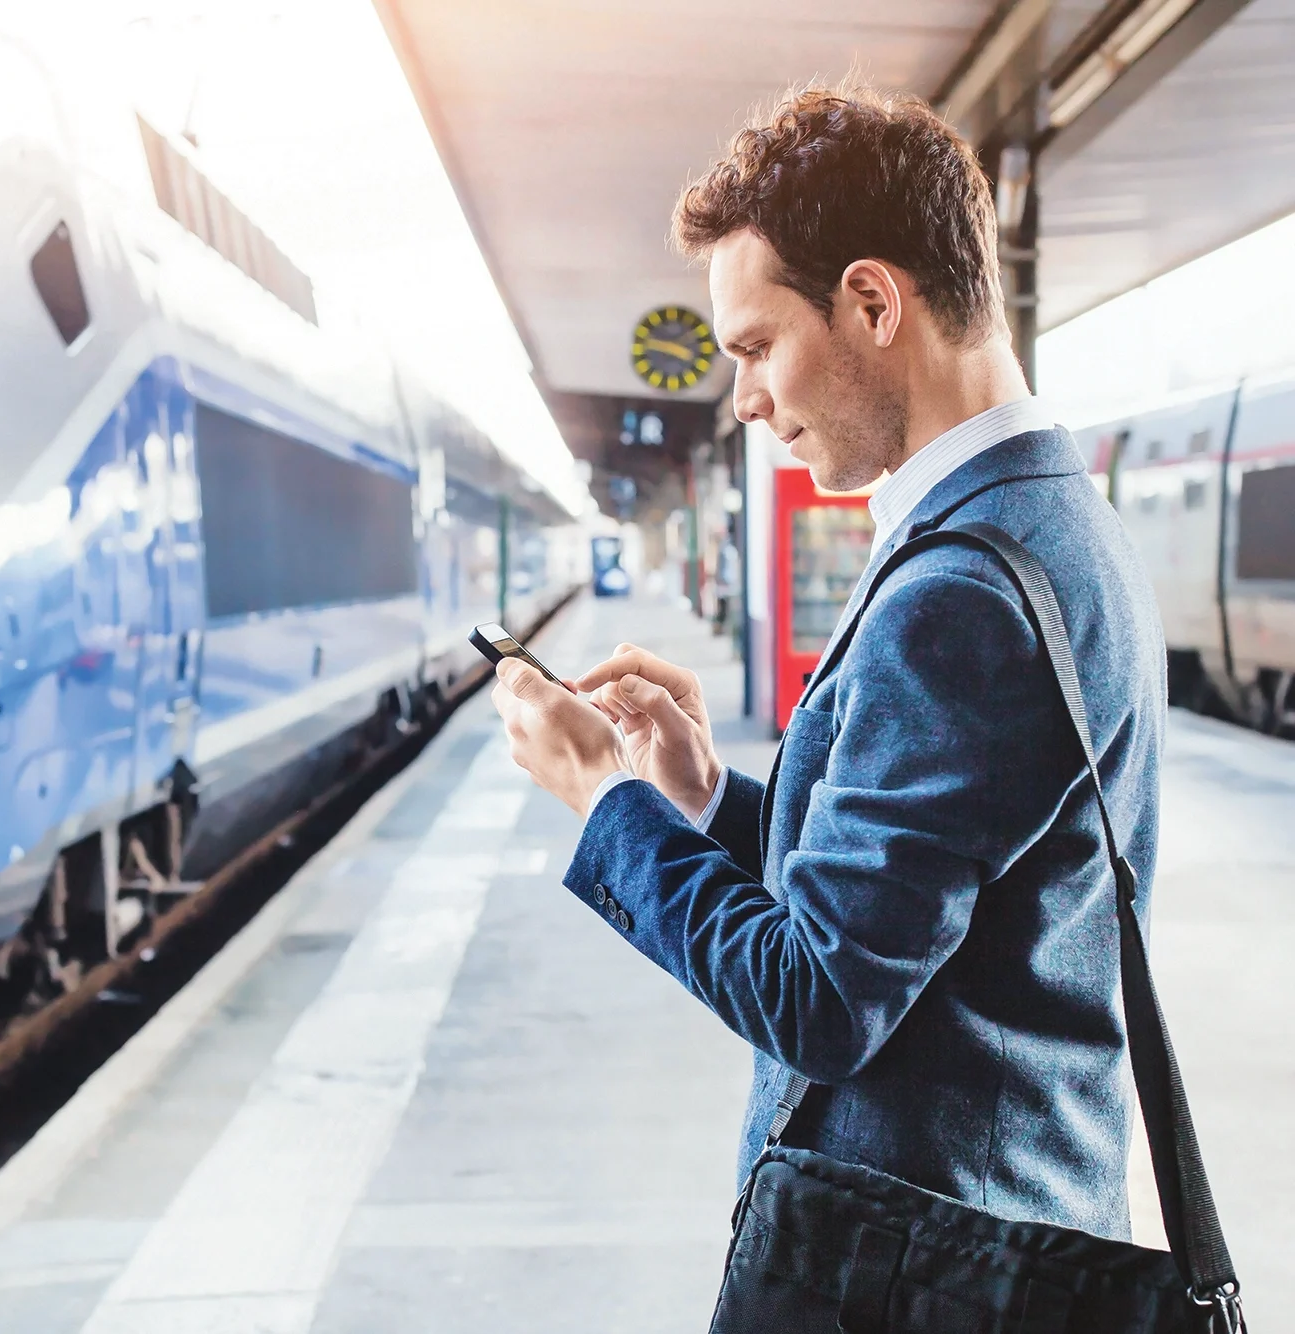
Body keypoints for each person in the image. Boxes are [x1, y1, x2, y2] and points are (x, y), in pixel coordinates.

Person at [491, 85, 1166, 1241]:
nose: (745, 399)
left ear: (869, 301)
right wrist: (700, 794)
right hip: (989, 1221)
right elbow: (914, 898)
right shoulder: (1041, 515)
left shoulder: (958, 592)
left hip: (924, 1261)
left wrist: (604, 799)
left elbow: (818, 999)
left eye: (756, 347)